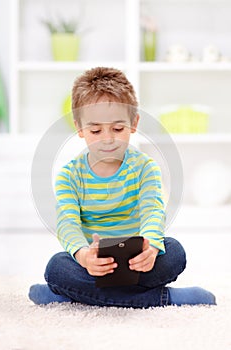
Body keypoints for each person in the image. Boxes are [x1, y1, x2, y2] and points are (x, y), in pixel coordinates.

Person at [29, 67, 216, 308]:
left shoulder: (145, 168)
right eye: (96, 130)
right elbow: (67, 225)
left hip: (136, 261)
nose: (107, 138)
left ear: (133, 123)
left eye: (117, 128)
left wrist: (150, 245)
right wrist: (85, 256)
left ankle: (68, 295)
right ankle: (163, 298)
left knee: (174, 252)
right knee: (57, 266)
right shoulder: (69, 175)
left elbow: (153, 211)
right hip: (94, 265)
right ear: (79, 128)